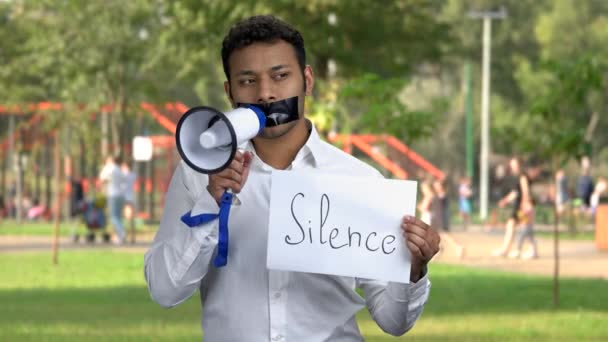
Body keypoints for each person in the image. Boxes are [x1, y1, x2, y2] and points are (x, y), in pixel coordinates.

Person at [144, 15, 440, 341]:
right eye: (247, 81)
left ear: (307, 80)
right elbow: (165, 291)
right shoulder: (200, 173)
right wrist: (209, 203)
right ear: (230, 92)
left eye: (281, 75)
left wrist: (412, 271)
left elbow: (393, 322)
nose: (266, 94)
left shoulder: (360, 181)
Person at [492, 157, 531, 257]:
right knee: (520, 227)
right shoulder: (515, 177)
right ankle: (511, 249)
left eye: (515, 164)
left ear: (519, 165)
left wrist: (524, 204)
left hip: (521, 206)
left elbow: (525, 191)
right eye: (512, 164)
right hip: (517, 205)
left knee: (524, 227)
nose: (513, 166)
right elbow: (514, 193)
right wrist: (505, 200)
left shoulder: (522, 176)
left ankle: (511, 250)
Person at [432, 178, 465, 258]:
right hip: (437, 217)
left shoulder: (442, 195)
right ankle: (439, 250)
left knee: (445, 235)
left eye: (437, 185)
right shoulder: (438, 195)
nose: (435, 186)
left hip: (441, 218)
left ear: (441, 186)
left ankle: (458, 246)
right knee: (436, 235)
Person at [99, 155, 126, 244]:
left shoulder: (109, 168)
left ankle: (121, 234)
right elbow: (123, 181)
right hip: (121, 195)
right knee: (119, 217)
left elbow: (101, 179)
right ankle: (119, 236)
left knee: (114, 217)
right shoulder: (119, 169)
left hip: (113, 195)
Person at [121, 161, 137, 242]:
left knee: (128, 218)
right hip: (130, 198)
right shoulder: (133, 175)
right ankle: (131, 236)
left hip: (127, 199)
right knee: (130, 219)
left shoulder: (126, 176)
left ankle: (126, 236)